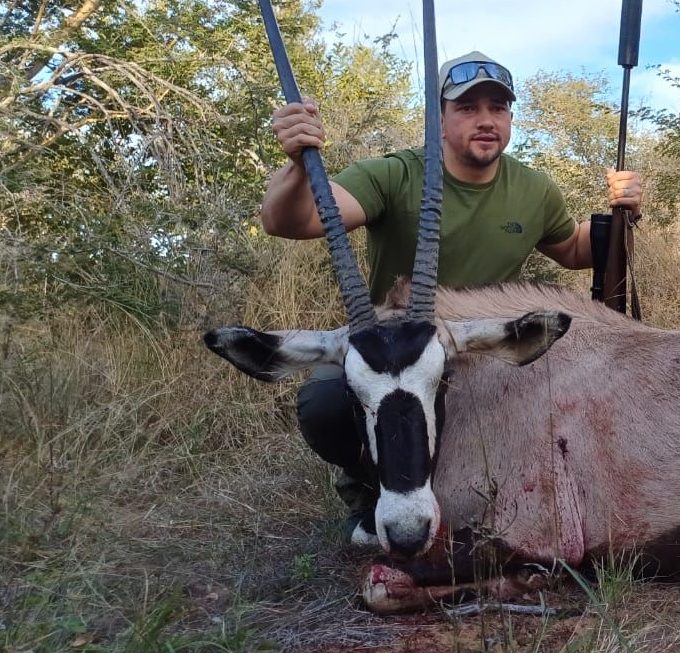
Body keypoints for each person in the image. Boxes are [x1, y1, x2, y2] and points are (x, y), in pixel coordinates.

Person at [260, 51, 644, 542]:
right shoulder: (394, 174)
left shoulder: (533, 188)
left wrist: (622, 213)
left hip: (482, 348)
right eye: (467, 108)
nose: (486, 120)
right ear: (440, 118)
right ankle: (371, 489)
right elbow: (293, 221)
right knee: (325, 402)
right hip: (399, 355)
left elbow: (572, 249)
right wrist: (297, 165)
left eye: (498, 108)